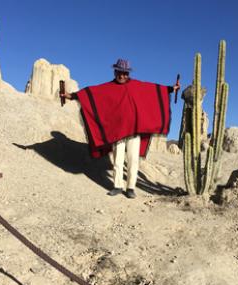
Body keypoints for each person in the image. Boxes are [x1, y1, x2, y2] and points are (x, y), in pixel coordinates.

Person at [61, 59, 180, 198]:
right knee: (117, 160)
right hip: (118, 132)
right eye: (120, 72)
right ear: (115, 71)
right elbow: (91, 93)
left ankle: (130, 188)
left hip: (135, 131)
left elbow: (153, 90)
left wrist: (172, 88)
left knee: (133, 160)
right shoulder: (108, 87)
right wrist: (70, 96)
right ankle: (117, 186)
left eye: (125, 73)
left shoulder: (137, 86)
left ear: (128, 73)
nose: (122, 76)